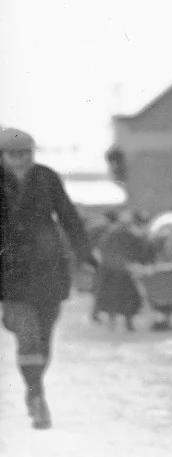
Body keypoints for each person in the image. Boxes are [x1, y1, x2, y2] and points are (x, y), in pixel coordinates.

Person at [0, 127, 98, 429]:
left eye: (26, 154)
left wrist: (85, 256)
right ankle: (37, 395)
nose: (20, 160)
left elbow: (68, 216)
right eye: (13, 154)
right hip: (11, 272)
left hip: (48, 268)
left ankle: (34, 390)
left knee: (44, 339)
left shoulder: (47, 178)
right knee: (28, 336)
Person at [93, 209, 152, 331]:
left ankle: (115, 322)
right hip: (122, 270)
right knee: (126, 298)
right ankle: (126, 322)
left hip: (114, 270)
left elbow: (104, 249)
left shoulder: (112, 234)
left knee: (114, 298)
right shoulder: (131, 234)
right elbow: (140, 251)